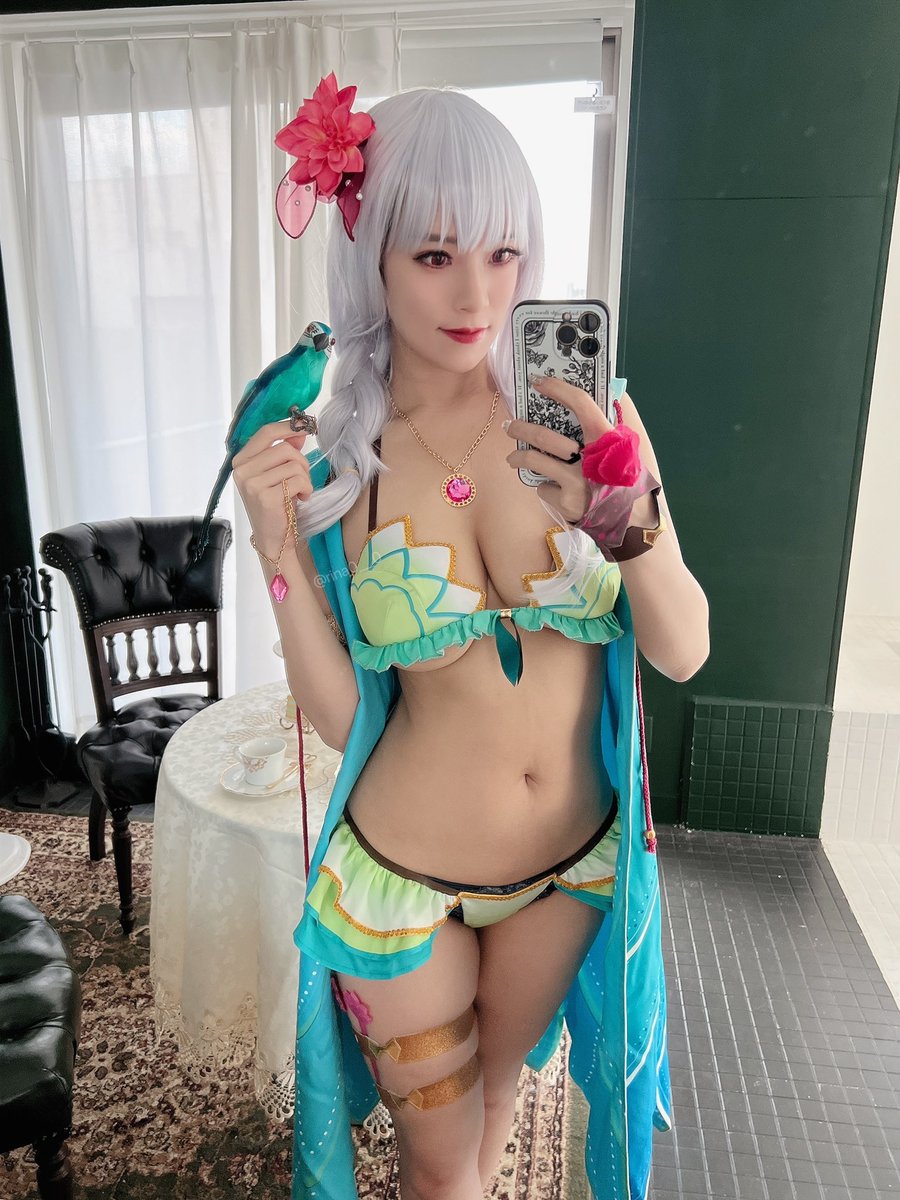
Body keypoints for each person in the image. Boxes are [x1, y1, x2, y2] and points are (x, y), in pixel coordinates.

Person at [233, 75, 709, 1200]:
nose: (477, 292)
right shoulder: (342, 463)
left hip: (569, 866)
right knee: (441, 1174)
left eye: (503, 253)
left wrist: (630, 527)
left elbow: (683, 647)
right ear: (373, 259)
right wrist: (276, 550)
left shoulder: (590, 420)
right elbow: (342, 718)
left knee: (495, 1108)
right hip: (401, 878)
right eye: (435, 254)